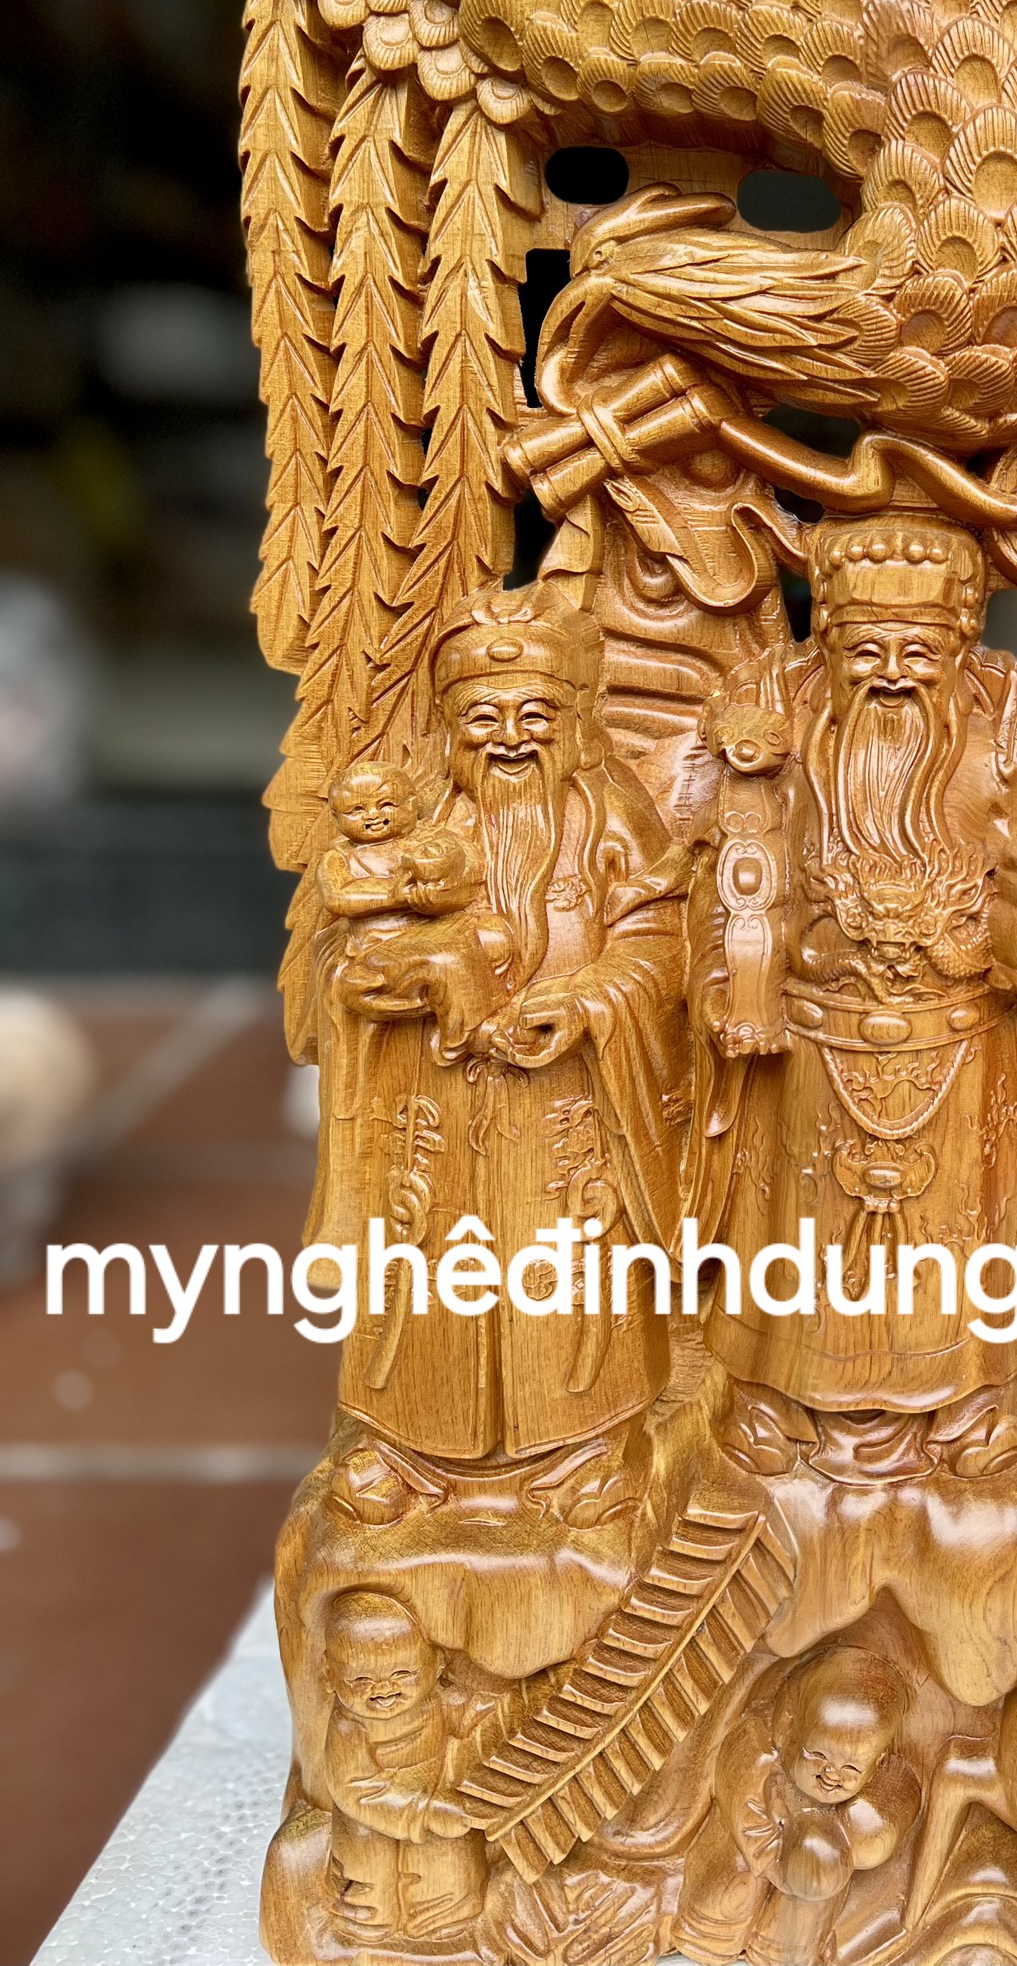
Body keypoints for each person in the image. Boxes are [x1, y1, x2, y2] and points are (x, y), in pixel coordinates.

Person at [685, 513, 1017, 1414]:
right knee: (801, 1242)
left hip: (963, 1053)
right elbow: (725, 885)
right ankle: (779, 1402)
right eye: (866, 653)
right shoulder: (783, 752)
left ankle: (967, 1406)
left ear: (960, 653)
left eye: (918, 654)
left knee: (957, 1246)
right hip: (811, 1053)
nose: (892, 673)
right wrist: (738, 976)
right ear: (827, 649)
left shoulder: (1006, 752)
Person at [314, 583, 690, 1461]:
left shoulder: (610, 814)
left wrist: (587, 1000)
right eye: (484, 718)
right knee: (425, 1275)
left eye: (535, 715)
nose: (511, 738)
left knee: (571, 1281)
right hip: (433, 1110)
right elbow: (345, 943)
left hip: (567, 1107)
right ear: (450, 728)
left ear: (574, 719)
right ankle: (408, 1455)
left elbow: (662, 940)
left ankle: (585, 1450)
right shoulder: (413, 814)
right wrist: (365, 986)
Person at [675, 1647, 918, 1966]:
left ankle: (778, 1952)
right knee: (735, 1885)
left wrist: (825, 1859)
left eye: (851, 1768)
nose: (832, 1775)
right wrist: (779, 1863)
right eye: (817, 1755)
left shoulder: (863, 1810)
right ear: (790, 1729)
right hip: (751, 1852)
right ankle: (709, 1936)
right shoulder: (758, 1760)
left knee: (811, 1894)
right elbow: (746, 1817)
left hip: (815, 1876)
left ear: (877, 1764)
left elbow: (889, 1816)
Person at [320, 1589, 487, 1944]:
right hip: (368, 1817)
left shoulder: (439, 1702)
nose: (383, 1689)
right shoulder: (349, 1727)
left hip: (433, 1803)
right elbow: (355, 1791)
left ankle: (443, 1923)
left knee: (448, 1859)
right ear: (329, 1674)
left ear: (437, 1664)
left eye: (403, 1672)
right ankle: (370, 1931)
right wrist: (423, 1813)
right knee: (369, 1877)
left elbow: (478, 1717)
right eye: (360, 1679)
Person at [318, 760, 511, 1060]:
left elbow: (466, 873)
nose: (373, 816)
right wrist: (397, 894)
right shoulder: (340, 857)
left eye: (386, 804)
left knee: (493, 935)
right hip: (382, 949)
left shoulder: (429, 840)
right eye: (356, 810)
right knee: (444, 958)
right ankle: (467, 1036)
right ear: (336, 816)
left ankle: (492, 1009)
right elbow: (338, 897)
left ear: (411, 805)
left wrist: (440, 890)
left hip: (441, 927)